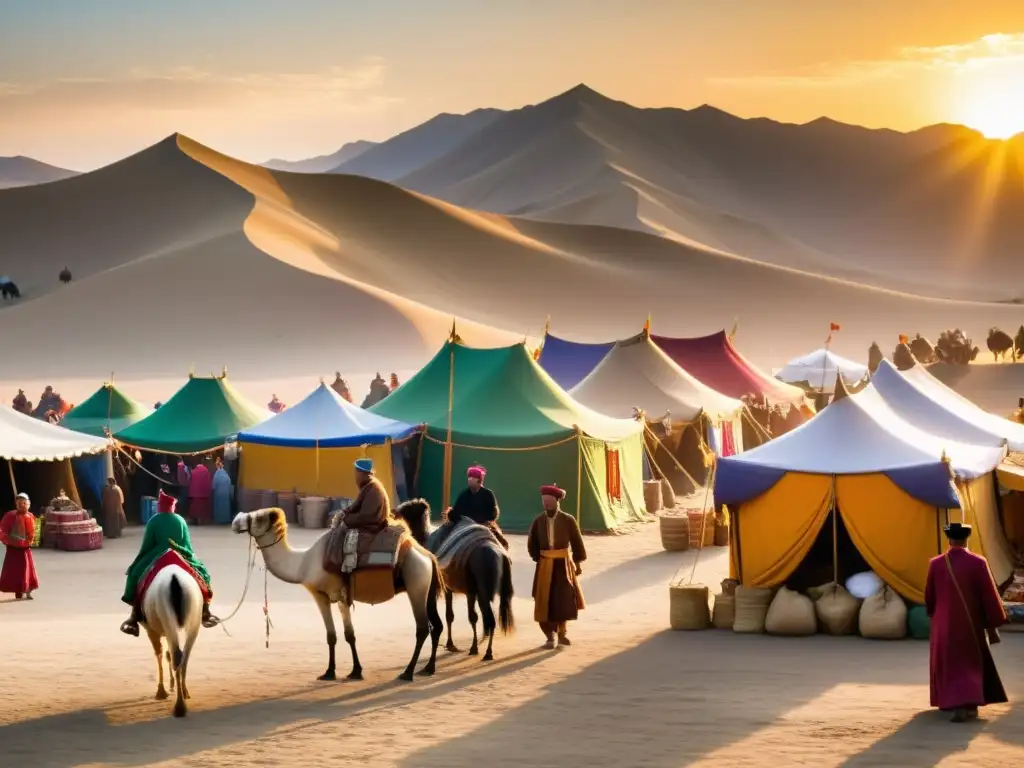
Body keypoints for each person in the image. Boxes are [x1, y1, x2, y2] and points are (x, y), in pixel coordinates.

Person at [924, 522, 1008, 722]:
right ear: (966, 538)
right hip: (970, 622)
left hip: (943, 624)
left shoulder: (936, 564)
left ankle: (951, 702)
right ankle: (969, 703)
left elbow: (929, 596)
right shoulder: (978, 562)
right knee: (969, 662)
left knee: (948, 662)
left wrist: (933, 615)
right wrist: (995, 619)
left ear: (948, 538)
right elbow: (988, 595)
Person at [120, 489, 218, 635]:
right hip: (179, 553)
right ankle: (205, 611)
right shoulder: (180, 520)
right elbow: (187, 545)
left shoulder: (153, 521)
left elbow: (147, 545)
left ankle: (134, 615)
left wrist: (139, 560)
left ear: (159, 506)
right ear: (173, 507)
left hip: (157, 554)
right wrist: (190, 557)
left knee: (134, 573)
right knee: (203, 574)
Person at [527, 484, 586, 649]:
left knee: (564, 599)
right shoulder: (538, 521)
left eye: (549, 501)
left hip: (563, 564)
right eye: (543, 501)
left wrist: (577, 562)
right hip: (545, 564)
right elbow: (532, 543)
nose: (546, 504)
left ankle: (562, 633)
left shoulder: (568, 520)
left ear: (557, 501)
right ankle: (549, 636)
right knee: (544, 600)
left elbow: (577, 542)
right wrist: (538, 558)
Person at [327, 458, 392, 574]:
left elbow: (365, 516)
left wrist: (347, 520)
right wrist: (344, 513)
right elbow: (356, 505)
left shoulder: (373, 489)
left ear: (362, 473)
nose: (355, 476)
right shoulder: (369, 486)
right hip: (370, 522)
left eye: (356, 472)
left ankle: (343, 567)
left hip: (372, 526)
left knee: (344, 534)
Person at [448, 465, 509, 549]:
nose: (469, 479)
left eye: (473, 478)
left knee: (501, 545)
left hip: (484, 525)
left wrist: (482, 522)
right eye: (469, 477)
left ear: (479, 480)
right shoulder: (463, 495)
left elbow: (493, 514)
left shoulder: (488, 494)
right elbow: (456, 512)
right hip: (464, 526)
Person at [1, 493, 39, 600]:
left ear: (28, 504)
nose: (22, 505)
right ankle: (18, 591)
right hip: (14, 548)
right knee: (16, 572)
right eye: (19, 503)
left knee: (28, 571)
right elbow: (2, 531)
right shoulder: (10, 516)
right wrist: (10, 540)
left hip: (25, 548)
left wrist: (29, 540)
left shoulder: (30, 516)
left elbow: (33, 531)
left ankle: (28, 590)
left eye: (24, 503)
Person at [188, 460, 212, 525]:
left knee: (195, 509)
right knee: (203, 509)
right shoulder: (206, 471)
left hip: (195, 494)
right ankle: (203, 521)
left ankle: (195, 521)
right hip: (204, 494)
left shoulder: (194, 471)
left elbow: (190, 481)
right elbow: (209, 482)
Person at [212, 458, 233, 525]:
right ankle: (225, 518)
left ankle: (220, 519)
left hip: (219, 493)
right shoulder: (225, 473)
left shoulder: (217, 473)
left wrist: (213, 489)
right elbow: (229, 481)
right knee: (225, 506)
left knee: (219, 506)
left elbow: (214, 483)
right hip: (226, 492)